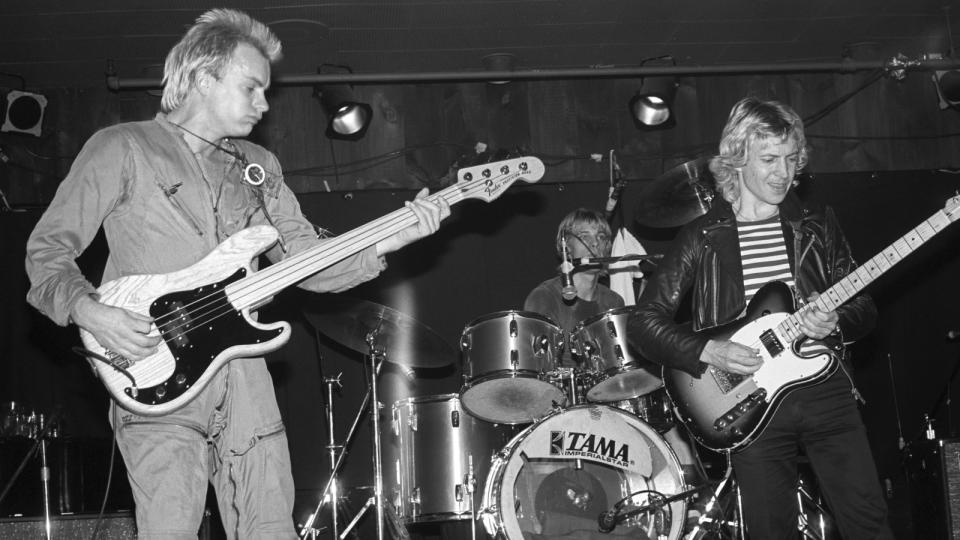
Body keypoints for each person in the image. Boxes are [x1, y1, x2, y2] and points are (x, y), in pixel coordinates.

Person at [24, 9, 449, 539]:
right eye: (251, 87)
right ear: (204, 78)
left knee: (272, 528)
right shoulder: (121, 148)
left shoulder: (258, 166)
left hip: (244, 373)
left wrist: (392, 237)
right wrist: (91, 311)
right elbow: (46, 254)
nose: (264, 104)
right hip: (152, 368)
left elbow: (306, 264)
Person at [628, 97, 893, 539]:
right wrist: (709, 349)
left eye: (791, 160)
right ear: (737, 159)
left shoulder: (818, 225)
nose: (783, 172)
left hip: (826, 390)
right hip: (747, 398)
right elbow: (643, 322)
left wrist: (837, 323)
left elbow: (864, 309)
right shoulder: (703, 237)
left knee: (869, 522)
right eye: (769, 159)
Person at [523, 207, 625, 368]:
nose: (595, 243)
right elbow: (541, 367)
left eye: (601, 236)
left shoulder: (614, 301)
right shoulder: (544, 297)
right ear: (566, 248)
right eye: (584, 236)